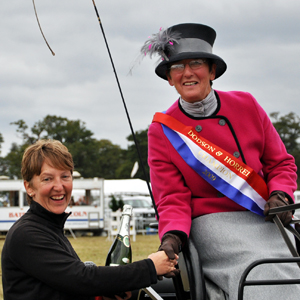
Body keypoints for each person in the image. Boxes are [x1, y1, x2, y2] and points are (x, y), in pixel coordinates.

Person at [139, 23, 300, 299]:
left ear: (212, 71)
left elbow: (280, 164)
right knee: (258, 274)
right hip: (211, 224)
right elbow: (172, 197)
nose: (187, 73)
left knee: (289, 267)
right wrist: (173, 237)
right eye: (177, 67)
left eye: (197, 63)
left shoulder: (247, 105)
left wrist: (281, 194)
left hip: (264, 216)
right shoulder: (162, 130)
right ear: (169, 78)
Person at [1, 139, 178, 300]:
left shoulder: (49, 227)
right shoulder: (26, 234)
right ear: (29, 187)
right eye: (47, 179)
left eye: (65, 176)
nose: (59, 186)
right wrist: (150, 267)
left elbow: (64, 286)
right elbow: (80, 278)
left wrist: (104, 292)